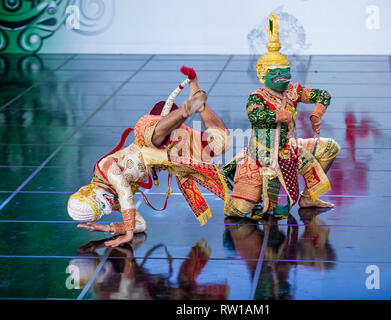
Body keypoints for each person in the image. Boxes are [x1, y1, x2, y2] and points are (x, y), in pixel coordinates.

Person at [67, 66, 231, 247]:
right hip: (169, 153)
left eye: (102, 204)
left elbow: (124, 191)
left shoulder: (104, 168)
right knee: (221, 142)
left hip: (149, 138)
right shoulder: (113, 198)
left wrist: (127, 235)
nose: (108, 208)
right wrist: (107, 229)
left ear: (90, 191)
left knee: (152, 139)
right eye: (103, 211)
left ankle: (186, 110)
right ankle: (197, 95)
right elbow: (140, 225)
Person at [222, 13, 340, 220]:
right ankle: (254, 193)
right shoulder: (256, 97)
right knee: (237, 212)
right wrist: (283, 115)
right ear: (262, 74)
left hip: (288, 152)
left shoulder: (292, 91)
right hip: (259, 159)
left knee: (330, 147)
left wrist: (317, 113)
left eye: (286, 73)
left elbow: (323, 95)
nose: (284, 78)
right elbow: (257, 117)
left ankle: (308, 198)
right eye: (277, 74)